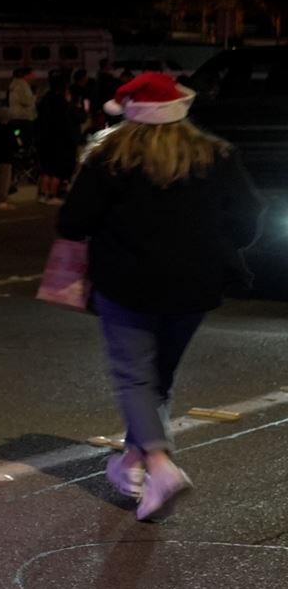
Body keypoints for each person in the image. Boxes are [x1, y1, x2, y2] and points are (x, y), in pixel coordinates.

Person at [56, 72, 264, 521]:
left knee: (134, 376)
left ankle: (157, 463)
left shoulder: (111, 158)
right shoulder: (216, 154)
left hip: (127, 281)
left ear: (129, 113)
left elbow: (72, 223)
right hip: (196, 283)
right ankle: (131, 464)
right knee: (159, 378)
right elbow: (249, 216)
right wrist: (217, 244)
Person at [36, 68, 82, 201]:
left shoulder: (46, 98)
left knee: (46, 169)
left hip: (45, 138)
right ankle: (52, 195)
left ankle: (43, 194)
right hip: (60, 139)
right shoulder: (62, 102)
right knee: (57, 170)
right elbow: (68, 120)